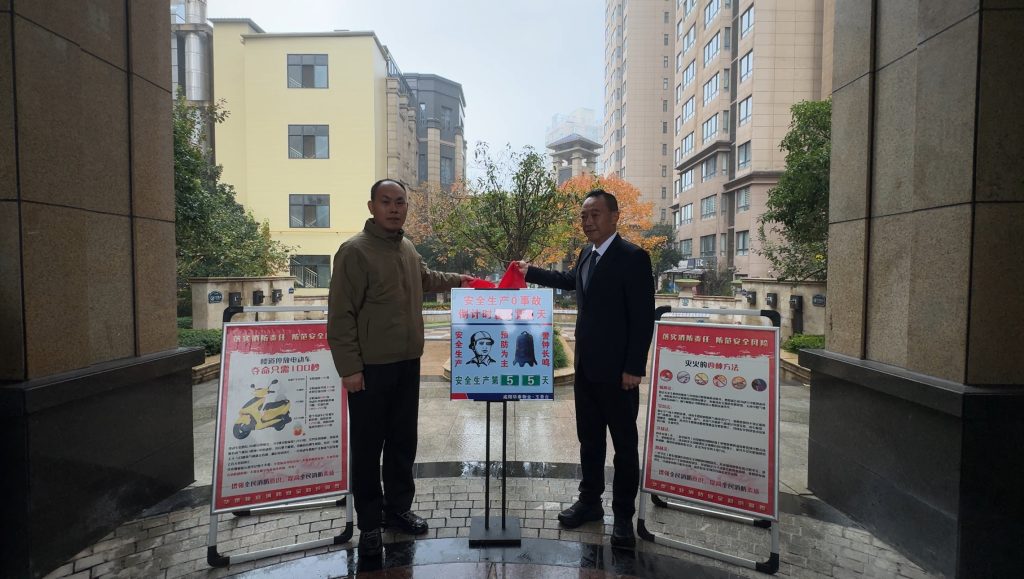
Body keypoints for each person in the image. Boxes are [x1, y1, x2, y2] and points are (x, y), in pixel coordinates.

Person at [328, 179, 472, 558]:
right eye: (386, 201)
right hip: (370, 369)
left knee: (402, 442)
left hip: (407, 364)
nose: (394, 208)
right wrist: (350, 368)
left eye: (400, 202)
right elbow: (340, 316)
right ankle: (369, 523)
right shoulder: (354, 251)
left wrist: (460, 281)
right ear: (372, 206)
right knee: (367, 448)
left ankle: (397, 510)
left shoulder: (406, 247)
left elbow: (426, 278)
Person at [515, 189, 654, 548]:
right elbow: (569, 281)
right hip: (587, 369)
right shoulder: (586, 255)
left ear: (614, 217)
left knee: (624, 447)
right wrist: (531, 272)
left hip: (620, 375)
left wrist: (634, 367)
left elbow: (642, 319)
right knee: (589, 441)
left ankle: (622, 516)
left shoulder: (633, 257)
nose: (588, 221)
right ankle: (590, 502)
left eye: (595, 214)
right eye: (584, 216)